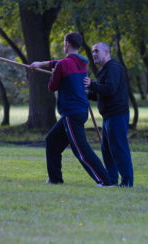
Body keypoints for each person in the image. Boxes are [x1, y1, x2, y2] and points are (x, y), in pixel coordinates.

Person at [30, 32, 113, 187]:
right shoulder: (82, 62)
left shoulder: (63, 65)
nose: (63, 45)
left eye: (63, 42)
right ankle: (55, 179)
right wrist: (41, 64)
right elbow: (61, 63)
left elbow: (51, 87)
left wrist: (55, 74)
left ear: (67, 44)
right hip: (80, 110)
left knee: (81, 150)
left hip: (72, 112)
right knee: (52, 141)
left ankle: (105, 180)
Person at [84, 42, 134, 187]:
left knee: (119, 148)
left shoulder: (113, 68)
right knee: (107, 150)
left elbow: (110, 89)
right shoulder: (104, 70)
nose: (94, 54)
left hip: (117, 115)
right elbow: (102, 93)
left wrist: (91, 84)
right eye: (93, 51)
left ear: (106, 52)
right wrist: (87, 93)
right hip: (109, 117)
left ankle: (127, 182)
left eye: (97, 51)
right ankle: (111, 180)